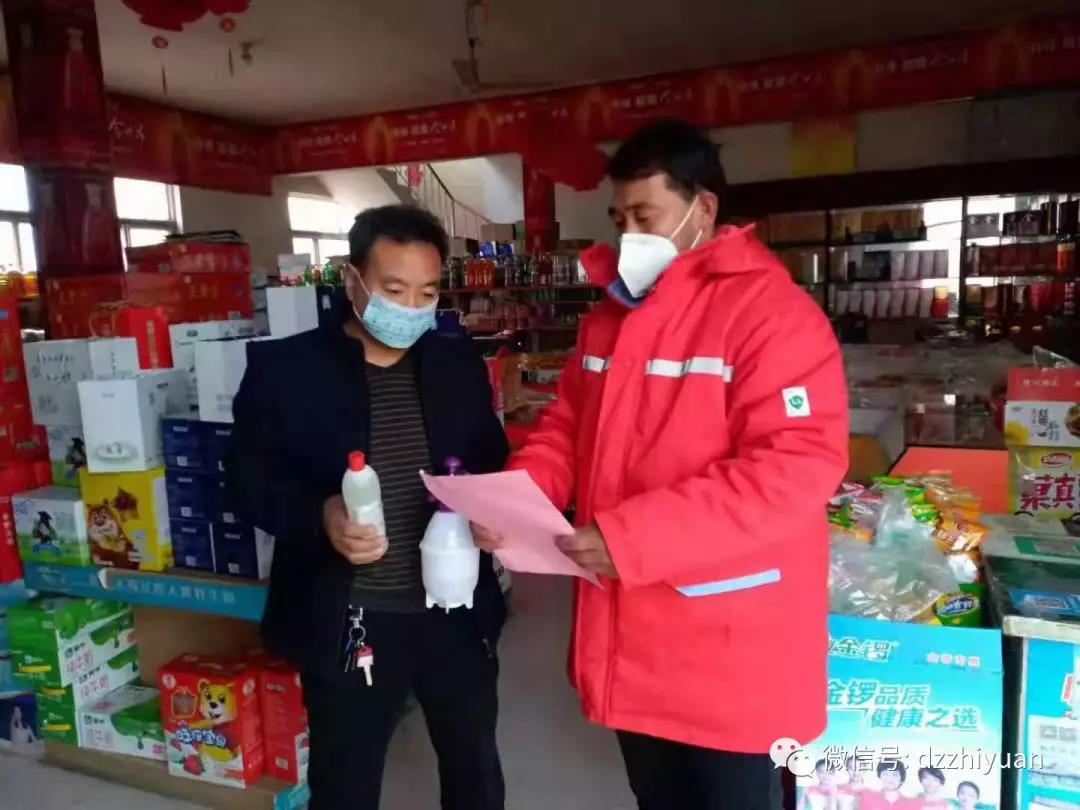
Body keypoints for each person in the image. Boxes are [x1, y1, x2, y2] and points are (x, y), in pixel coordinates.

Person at [474, 119, 849, 809]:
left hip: (728, 646)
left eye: (645, 217)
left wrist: (631, 538)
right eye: (619, 220)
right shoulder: (610, 318)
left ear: (703, 208)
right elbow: (567, 427)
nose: (629, 236)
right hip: (630, 636)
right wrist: (518, 498)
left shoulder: (771, 316)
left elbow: (793, 468)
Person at [227, 204, 508, 810]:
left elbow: (490, 457)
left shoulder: (455, 362)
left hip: (455, 610)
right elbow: (246, 481)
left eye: (427, 292)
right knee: (345, 785)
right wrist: (320, 515)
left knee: (476, 773)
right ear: (351, 279)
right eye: (394, 289)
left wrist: (493, 509)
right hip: (352, 618)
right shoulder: (287, 370)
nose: (411, 308)